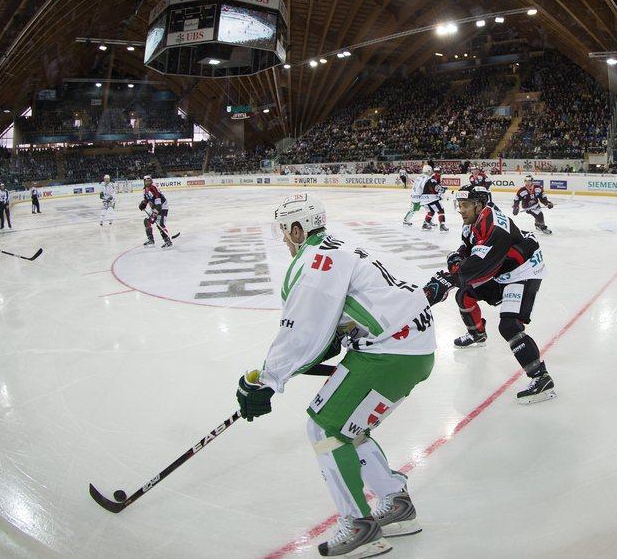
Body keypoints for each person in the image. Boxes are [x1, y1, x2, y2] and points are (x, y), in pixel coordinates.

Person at [235, 193, 436, 557]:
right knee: (349, 427)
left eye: (285, 230)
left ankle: (360, 528)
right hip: (414, 348)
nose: (284, 238)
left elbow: (303, 331)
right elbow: (335, 327)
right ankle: (396, 504)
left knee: (324, 427)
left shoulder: (313, 261)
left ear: (298, 228)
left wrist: (266, 380)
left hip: (390, 352)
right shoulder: (340, 247)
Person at [423, 184, 555, 404]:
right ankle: (477, 333)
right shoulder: (472, 223)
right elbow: (466, 250)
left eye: (464, 205)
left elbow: (482, 265)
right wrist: (455, 259)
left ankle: (541, 378)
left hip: (523, 271)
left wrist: (451, 278)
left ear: (479, 204)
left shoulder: (495, 225)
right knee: (464, 295)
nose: (460, 210)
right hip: (503, 268)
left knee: (509, 325)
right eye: (459, 205)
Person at [138, 175, 172, 248]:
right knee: (146, 221)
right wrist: (143, 204)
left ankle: (167, 241)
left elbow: (159, 204)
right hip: (154, 207)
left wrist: (154, 214)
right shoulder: (145, 189)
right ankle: (151, 240)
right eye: (146, 181)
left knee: (160, 224)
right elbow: (147, 199)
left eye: (149, 180)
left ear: (151, 181)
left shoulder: (154, 188)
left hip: (162, 207)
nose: (147, 182)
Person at [419, 168, 448, 232]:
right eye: (439, 173)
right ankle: (442, 226)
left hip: (424, 199)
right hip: (431, 198)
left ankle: (425, 224)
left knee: (431, 212)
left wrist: (441, 189)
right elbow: (435, 188)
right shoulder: (433, 179)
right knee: (441, 211)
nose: (440, 175)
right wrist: (442, 189)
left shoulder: (433, 179)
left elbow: (435, 188)